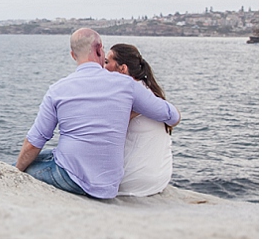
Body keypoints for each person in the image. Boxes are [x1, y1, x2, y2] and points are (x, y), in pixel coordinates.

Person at [15, 28, 180, 199]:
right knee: (48, 155)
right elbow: (173, 116)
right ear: (100, 49)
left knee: (21, 165)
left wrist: (15, 171)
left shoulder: (58, 90)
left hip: (71, 178)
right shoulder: (127, 85)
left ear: (73, 55)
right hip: (108, 184)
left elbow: (34, 142)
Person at [105, 43, 173, 196]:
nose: (103, 67)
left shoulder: (129, 95)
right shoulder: (150, 93)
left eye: (107, 62)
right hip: (160, 179)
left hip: (133, 182)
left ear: (123, 68)